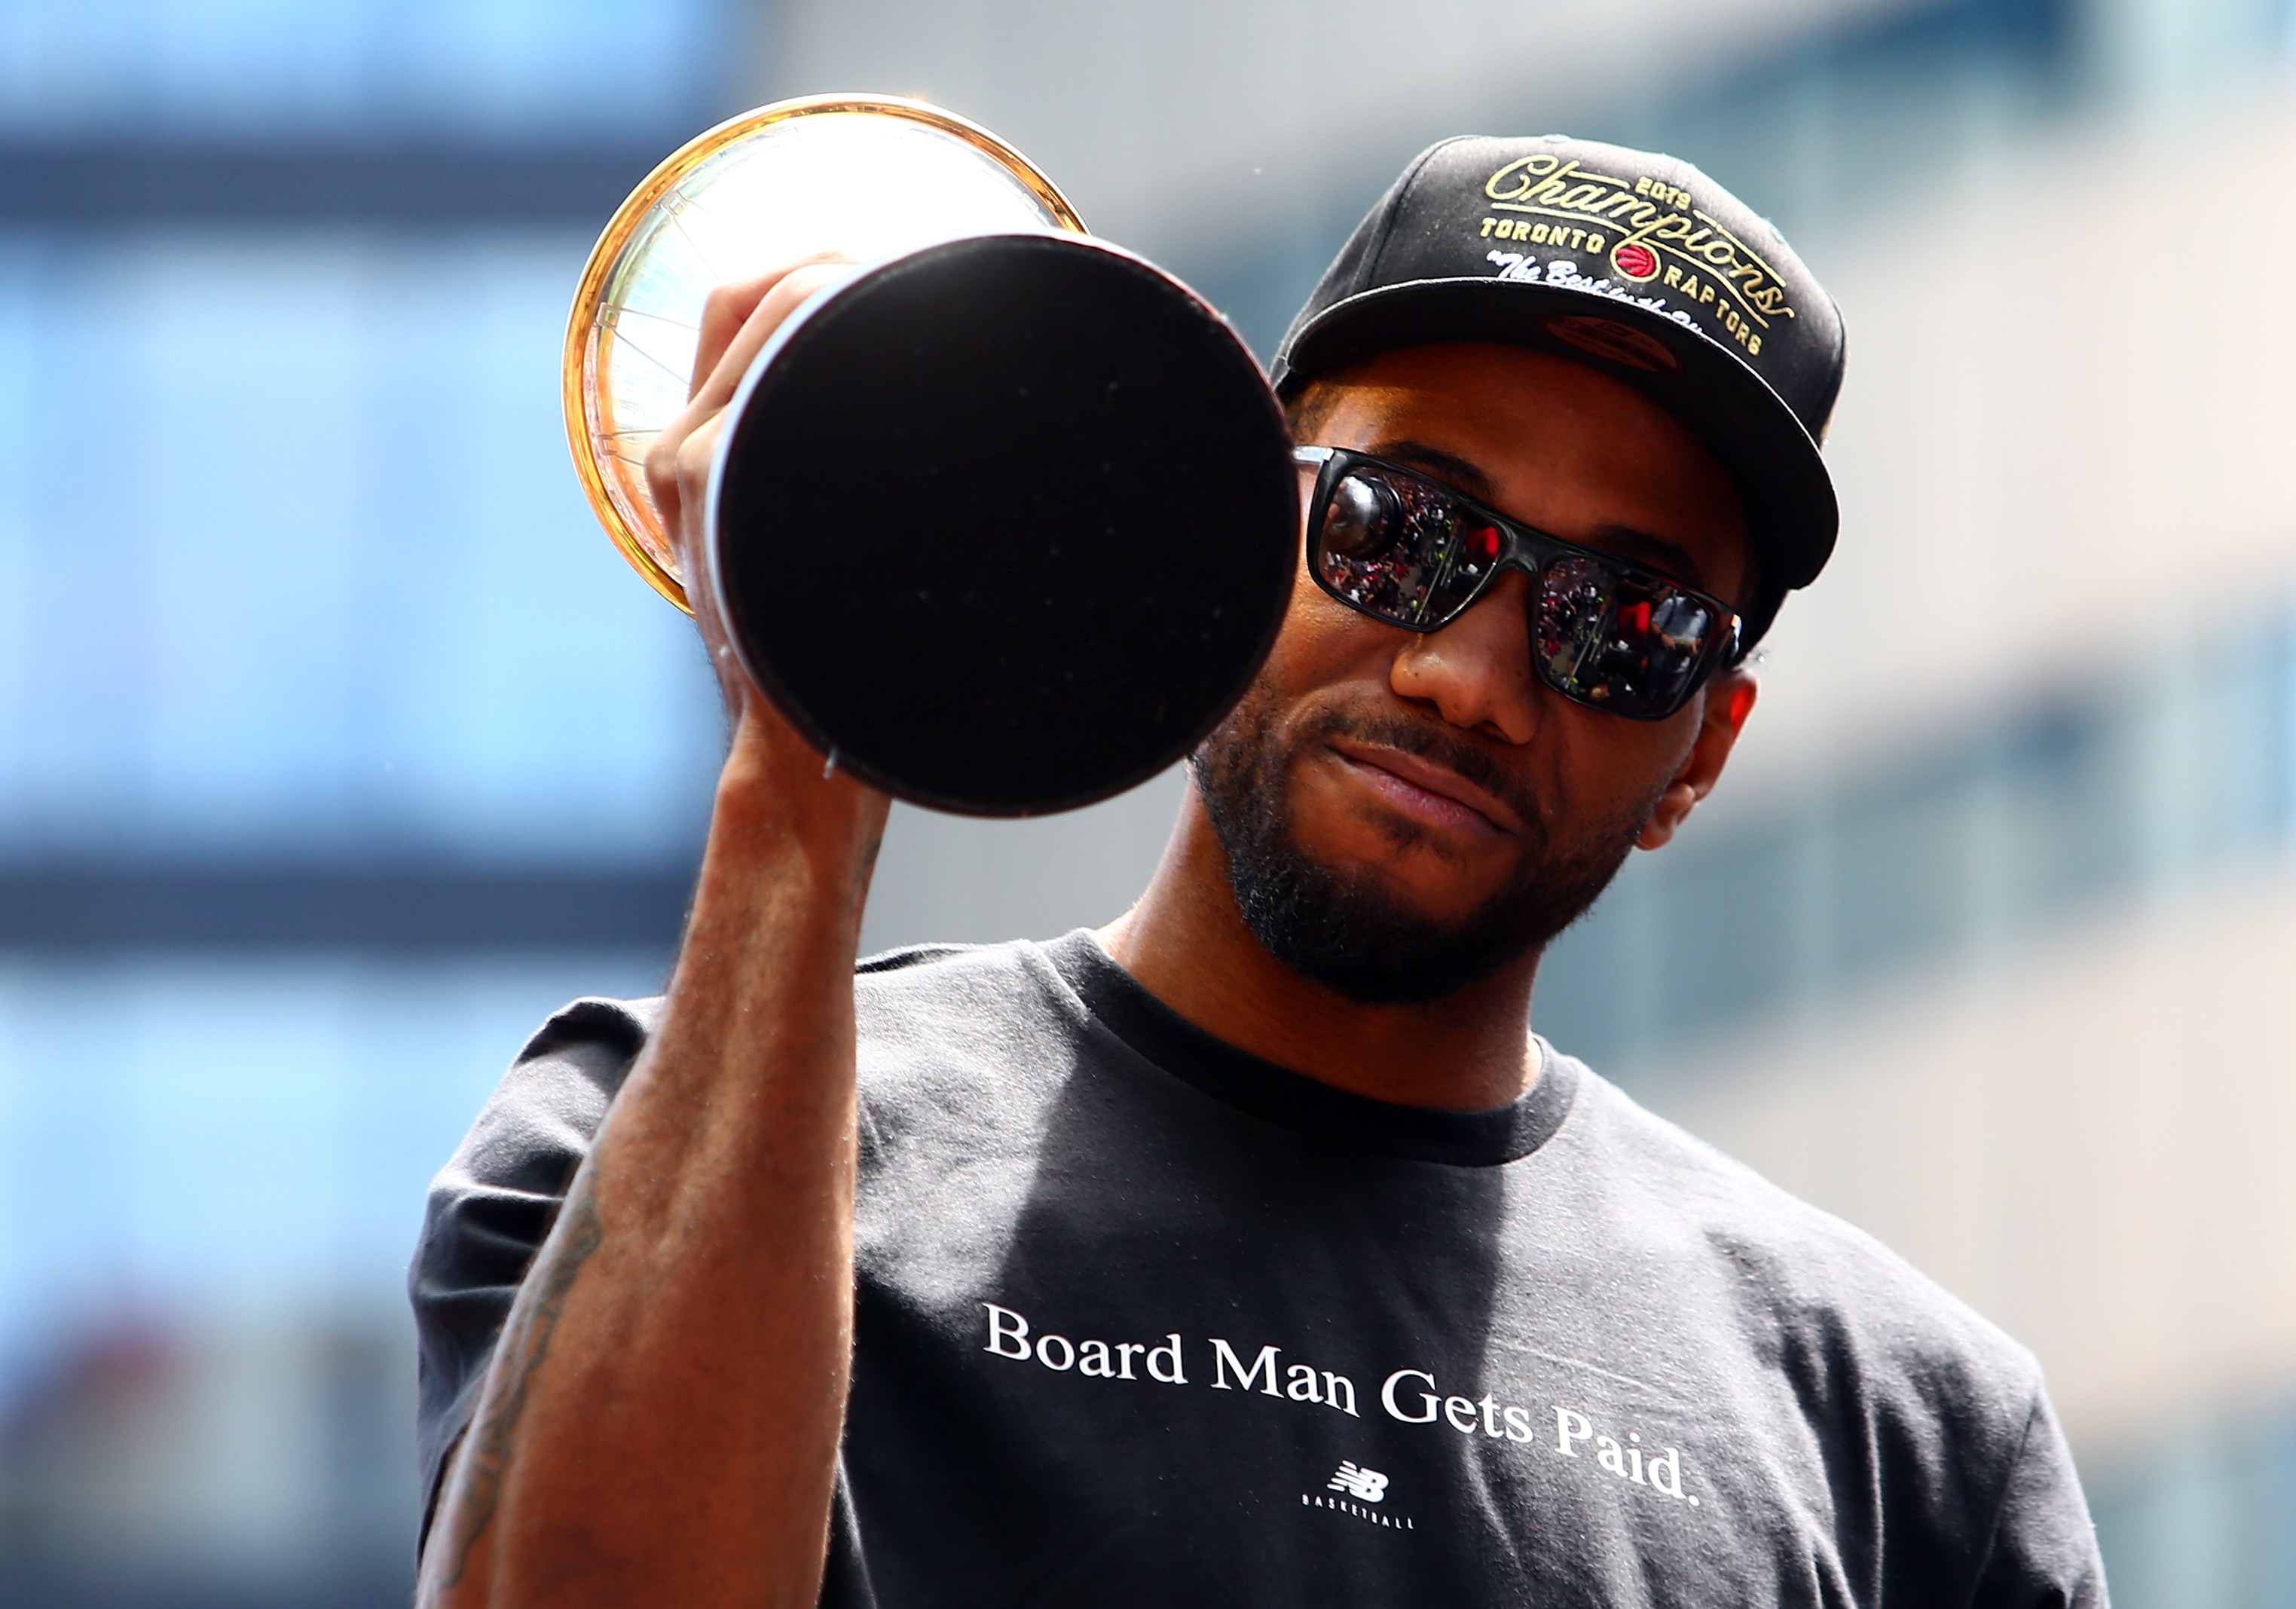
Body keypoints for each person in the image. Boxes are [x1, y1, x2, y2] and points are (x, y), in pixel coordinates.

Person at [411, 135, 2107, 1607]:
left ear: (1703, 753)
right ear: (1234, 524)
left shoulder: (1909, 1441)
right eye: (1398, 529)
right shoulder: (654, 1140)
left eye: (1622, 622)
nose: (1469, 678)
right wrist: (809, 756)